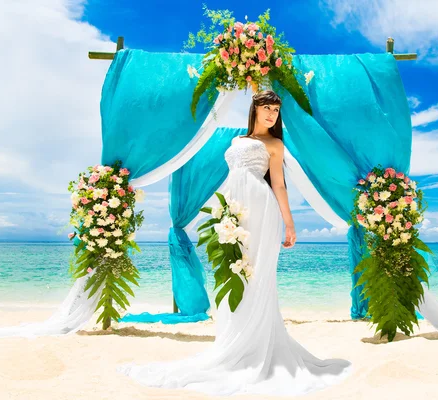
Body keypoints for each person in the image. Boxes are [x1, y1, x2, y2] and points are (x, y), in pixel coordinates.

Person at [116, 90, 353, 396]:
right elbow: (230, 178)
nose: (272, 114)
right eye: (267, 108)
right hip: (233, 211)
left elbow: (278, 183)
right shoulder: (237, 142)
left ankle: (256, 342)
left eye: (276, 110)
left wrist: (290, 223)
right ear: (254, 109)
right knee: (232, 272)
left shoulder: (275, 144)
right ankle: (235, 338)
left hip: (262, 209)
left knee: (258, 276)